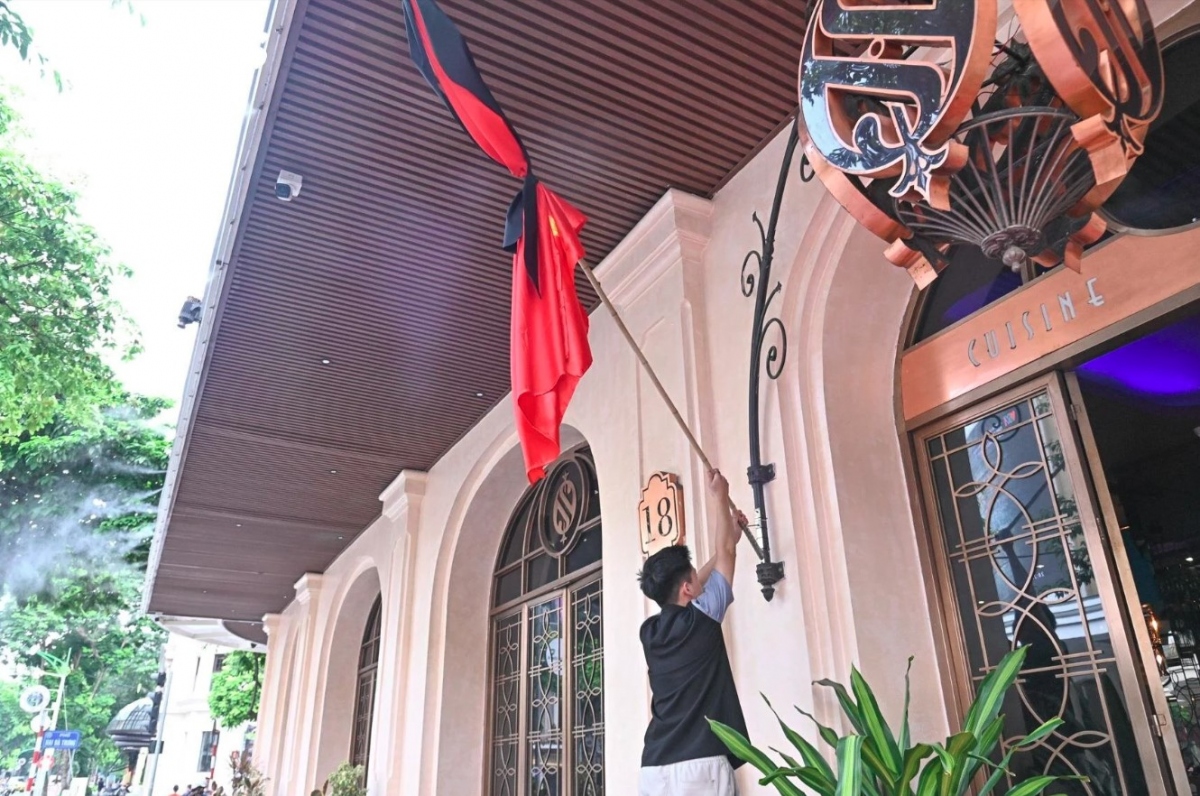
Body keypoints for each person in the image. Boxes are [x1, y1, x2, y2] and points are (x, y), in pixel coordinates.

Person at [638, 469, 748, 796]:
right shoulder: (702, 619)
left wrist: (728, 540)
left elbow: (693, 584)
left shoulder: (650, 633)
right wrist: (720, 495)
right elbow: (727, 555)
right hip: (701, 765)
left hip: (654, 768)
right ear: (687, 588)